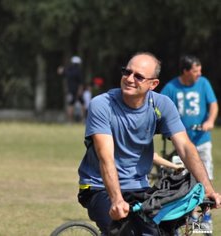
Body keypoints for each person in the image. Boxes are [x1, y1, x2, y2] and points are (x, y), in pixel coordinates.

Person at [77, 52, 221, 234]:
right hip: (99, 187)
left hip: (138, 187)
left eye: (138, 76)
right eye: (126, 72)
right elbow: (106, 158)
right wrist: (116, 200)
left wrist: (207, 189)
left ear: (153, 84)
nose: (129, 79)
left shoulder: (161, 105)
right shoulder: (102, 105)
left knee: (165, 229)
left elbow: (185, 147)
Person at [161, 54, 219, 228]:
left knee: (204, 176)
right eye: (195, 71)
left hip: (202, 140)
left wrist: (209, 121)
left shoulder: (204, 83)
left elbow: (213, 105)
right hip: (181, 143)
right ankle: (191, 215)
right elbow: (159, 106)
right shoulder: (171, 87)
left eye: (200, 70)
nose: (199, 74)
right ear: (185, 71)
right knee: (186, 179)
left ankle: (206, 217)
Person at [58, 56, 84, 122]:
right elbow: (80, 82)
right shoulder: (78, 71)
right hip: (77, 90)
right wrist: (80, 90)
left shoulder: (68, 70)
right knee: (82, 104)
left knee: (70, 105)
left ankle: (70, 120)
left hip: (70, 90)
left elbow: (60, 72)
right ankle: (82, 119)